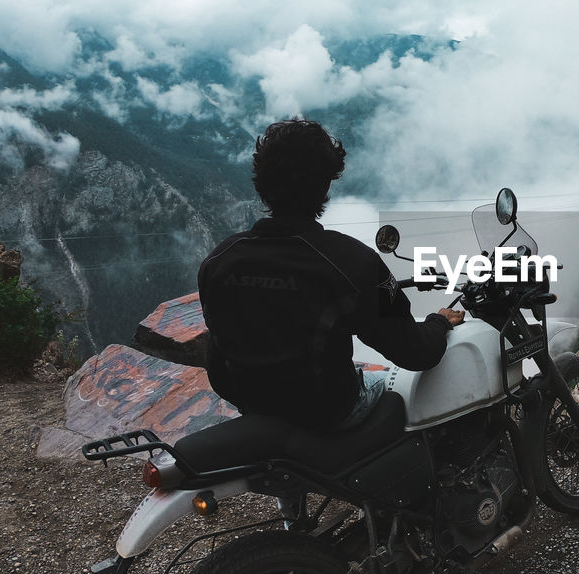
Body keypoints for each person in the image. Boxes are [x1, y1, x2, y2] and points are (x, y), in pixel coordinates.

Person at [198, 118, 464, 430]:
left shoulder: (218, 260)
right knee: (401, 388)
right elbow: (417, 354)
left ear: (261, 182)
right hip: (329, 413)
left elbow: (218, 359)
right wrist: (439, 322)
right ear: (326, 183)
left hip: (255, 410)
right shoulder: (353, 263)